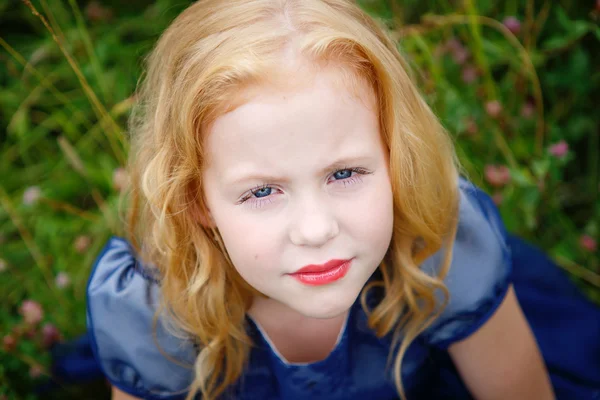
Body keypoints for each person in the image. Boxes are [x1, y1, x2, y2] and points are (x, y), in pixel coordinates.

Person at [84, 1, 600, 399]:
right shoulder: (155, 309)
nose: (315, 229)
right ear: (197, 200)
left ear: (396, 158)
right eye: (262, 191)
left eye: (345, 173)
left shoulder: (444, 250)